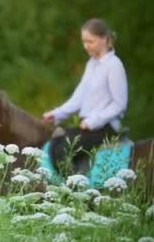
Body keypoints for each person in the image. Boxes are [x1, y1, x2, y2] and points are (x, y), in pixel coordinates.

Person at [42, 18, 128, 174]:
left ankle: (76, 191)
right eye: (84, 42)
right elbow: (79, 98)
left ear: (104, 39)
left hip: (105, 129)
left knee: (65, 148)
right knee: (55, 141)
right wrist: (56, 113)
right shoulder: (91, 64)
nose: (86, 46)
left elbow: (119, 104)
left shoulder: (114, 65)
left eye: (90, 41)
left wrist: (93, 121)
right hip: (87, 127)